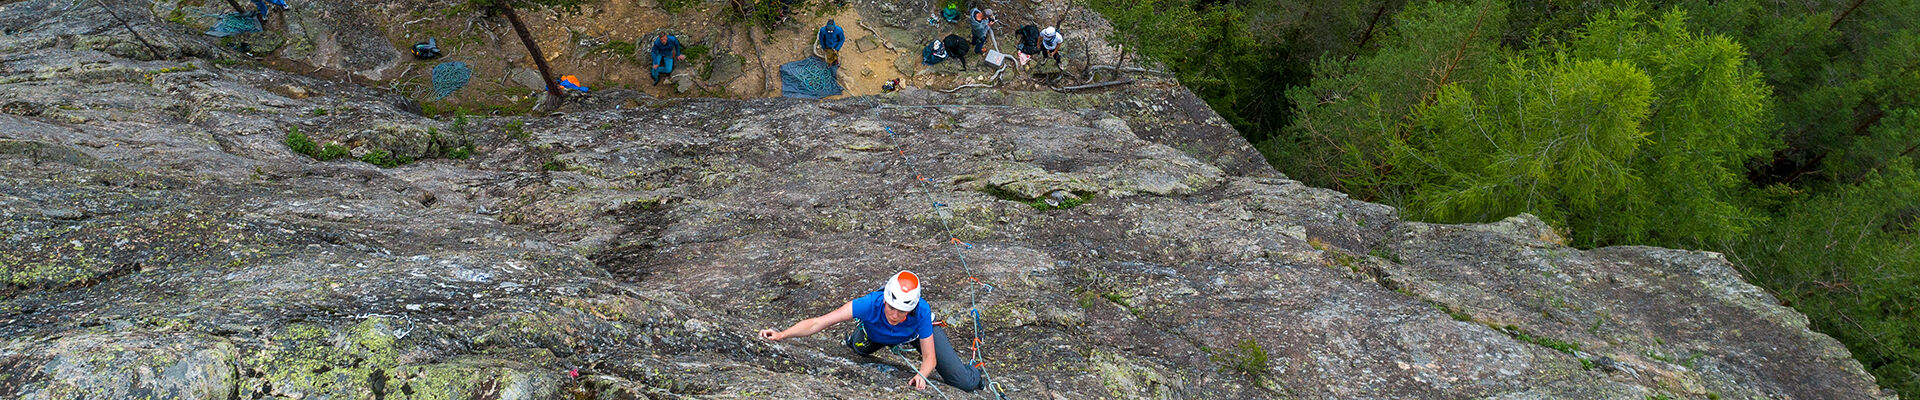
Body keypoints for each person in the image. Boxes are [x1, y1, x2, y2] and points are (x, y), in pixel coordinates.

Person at [758, 271, 986, 392]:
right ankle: (859, 334)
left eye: (902, 311)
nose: (894, 315)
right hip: (875, 334)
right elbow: (819, 322)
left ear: (911, 309)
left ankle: (974, 372)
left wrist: (922, 375)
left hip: (915, 335)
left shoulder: (922, 311)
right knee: (859, 349)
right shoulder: (869, 304)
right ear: (884, 300)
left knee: (964, 383)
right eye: (891, 307)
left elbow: (930, 358)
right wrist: (781, 334)